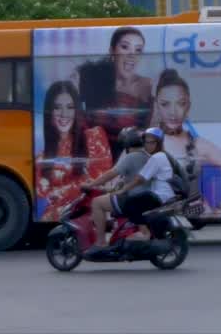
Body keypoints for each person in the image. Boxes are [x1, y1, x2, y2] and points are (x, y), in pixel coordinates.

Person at [148, 68, 221, 218]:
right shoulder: (146, 141)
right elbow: (120, 180)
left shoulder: (198, 145)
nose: (173, 112)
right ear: (156, 105)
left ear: (188, 106)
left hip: (196, 220)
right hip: (159, 219)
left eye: (181, 103)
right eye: (165, 104)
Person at [86, 127, 177, 255]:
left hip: (132, 198)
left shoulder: (131, 157)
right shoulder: (149, 156)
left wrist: (91, 184)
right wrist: (113, 189)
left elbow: (111, 174)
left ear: (127, 144)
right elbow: (128, 181)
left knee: (97, 203)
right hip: (147, 198)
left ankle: (101, 242)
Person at [35, 81, 113, 221]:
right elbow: (43, 193)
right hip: (59, 218)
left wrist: (62, 190)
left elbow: (101, 179)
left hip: (90, 212)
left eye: (70, 107)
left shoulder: (94, 136)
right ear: (49, 112)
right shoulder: (41, 157)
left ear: (76, 110)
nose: (64, 114)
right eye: (57, 108)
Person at [77, 27, 154, 162]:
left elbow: (151, 131)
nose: (132, 55)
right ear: (112, 51)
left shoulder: (147, 86)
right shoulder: (93, 80)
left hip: (132, 159)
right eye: (125, 47)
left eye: (138, 50)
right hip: (94, 158)